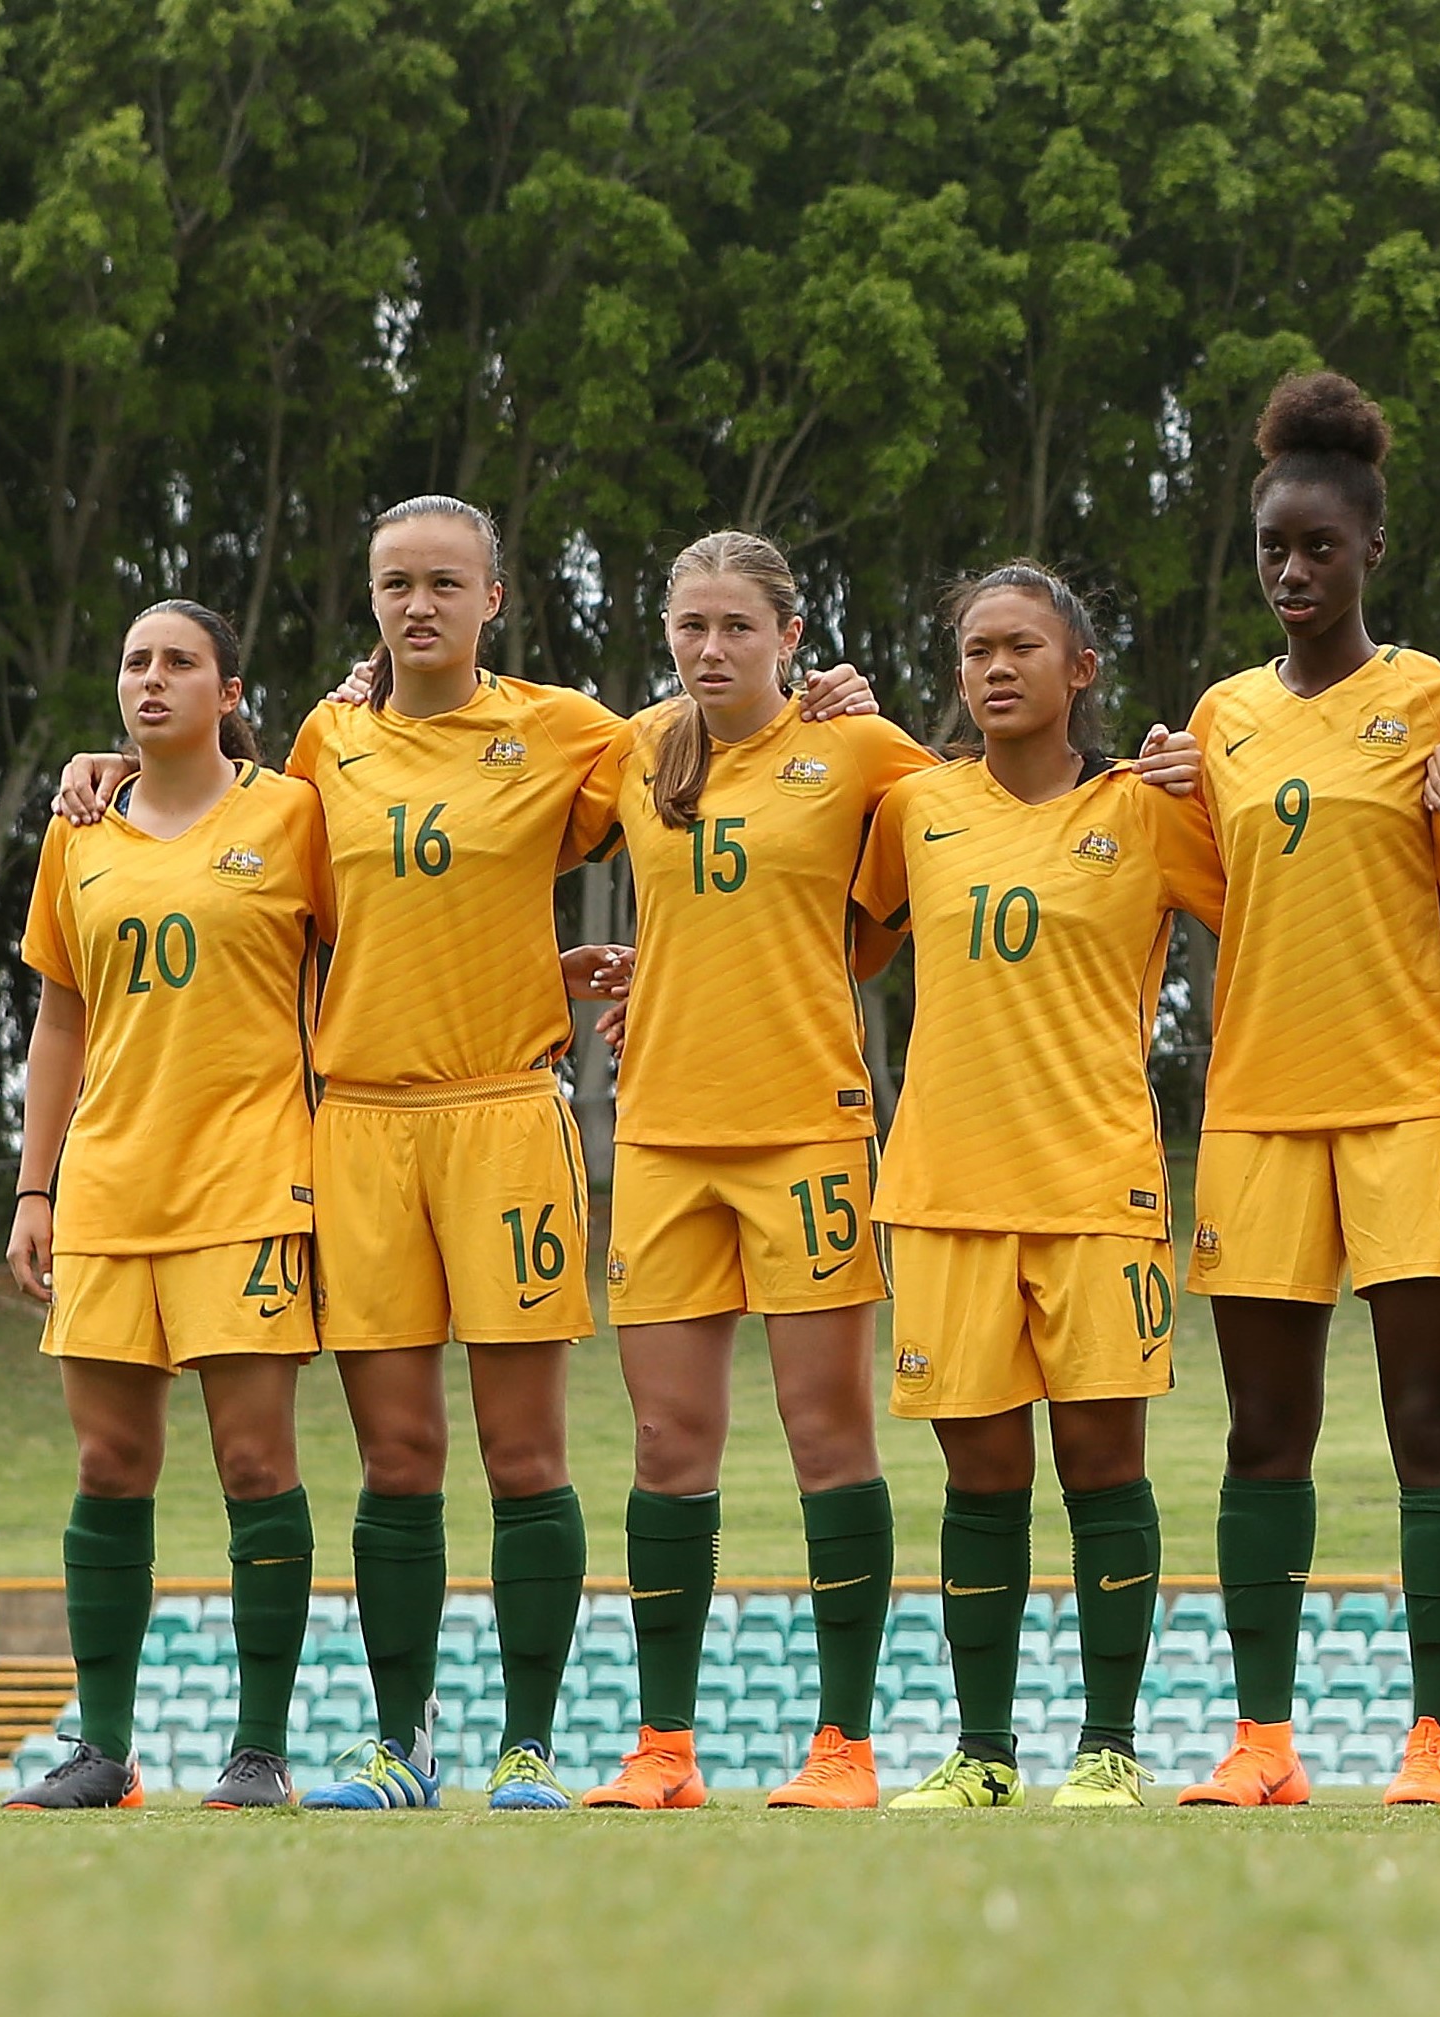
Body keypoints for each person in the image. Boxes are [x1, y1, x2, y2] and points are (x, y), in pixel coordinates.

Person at [52, 497, 878, 1810]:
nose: (418, 602)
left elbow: (718, 776)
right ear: (371, 600)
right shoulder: (326, 742)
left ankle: (529, 1746)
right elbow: (224, 828)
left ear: (494, 598)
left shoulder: (571, 734)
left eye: (446, 581)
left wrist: (820, 699)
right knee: (397, 1456)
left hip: (508, 1114)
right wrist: (107, 762)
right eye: (395, 582)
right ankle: (397, 1742)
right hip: (362, 1121)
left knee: (525, 1453)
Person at [1153, 372, 1440, 1808]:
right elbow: (1200, 889)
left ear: (1369, 552)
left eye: (1318, 549)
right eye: (1272, 551)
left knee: (1430, 1419)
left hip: (1416, 1100)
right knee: (1261, 1434)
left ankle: (1435, 1735)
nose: (1293, 573)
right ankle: (1263, 1742)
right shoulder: (1219, 716)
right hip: (1257, 1112)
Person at [567, 533, 936, 1811]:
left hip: (807, 1134)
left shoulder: (862, 750)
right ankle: (662, 1749)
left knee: (825, 1432)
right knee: (669, 1443)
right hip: (662, 1137)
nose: (710, 649)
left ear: (791, 634)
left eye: (737, 627)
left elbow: (948, 867)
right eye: (690, 626)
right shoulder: (632, 751)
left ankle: (845, 1748)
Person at [856, 563, 1223, 1810]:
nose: (995, 668)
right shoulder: (914, 806)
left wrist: (1215, 788)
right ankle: (983, 1753)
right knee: (980, 1479)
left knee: (1104, 1467)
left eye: (1022, 646)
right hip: (945, 1188)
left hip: (1097, 1186)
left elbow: (1278, 905)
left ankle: (1110, 1743)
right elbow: (825, 935)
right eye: (974, 651)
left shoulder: (1150, 808)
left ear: (1083, 671)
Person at [2, 603, 329, 1811]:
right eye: (135, 661)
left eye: (179, 660)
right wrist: (35, 1187)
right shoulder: (76, 829)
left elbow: (376, 950)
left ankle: (258, 1750)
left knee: (254, 1461)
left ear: (230, 690)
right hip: (106, 1189)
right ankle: (102, 1751)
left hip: (249, 1182)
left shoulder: (292, 814)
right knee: (109, 1461)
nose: (151, 678)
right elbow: (60, 1019)